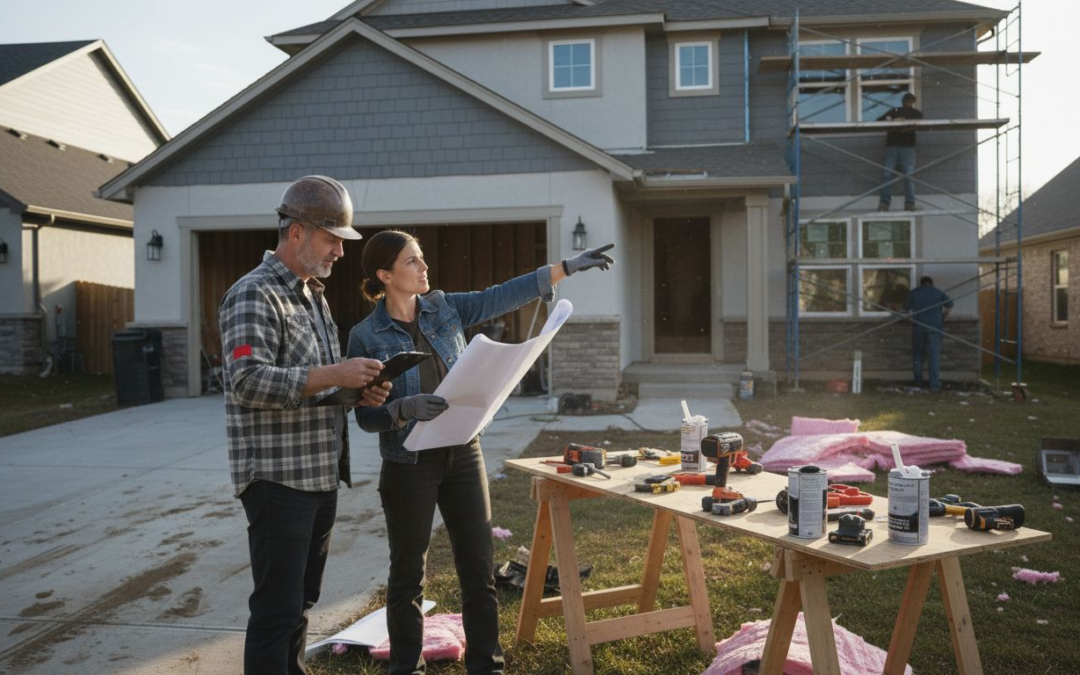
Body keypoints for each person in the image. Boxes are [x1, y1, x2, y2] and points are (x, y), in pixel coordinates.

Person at [347, 230, 615, 675]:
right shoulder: (366, 336)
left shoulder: (444, 308)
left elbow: (501, 296)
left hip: (462, 453)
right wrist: (401, 408)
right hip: (408, 464)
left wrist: (565, 268)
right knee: (407, 577)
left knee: (479, 570)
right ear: (385, 274)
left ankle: (487, 667)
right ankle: (405, 669)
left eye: (422, 258)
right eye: (412, 262)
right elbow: (365, 416)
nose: (424, 267)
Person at [219, 175, 392, 675]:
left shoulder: (313, 294)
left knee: (301, 602)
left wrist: (357, 391)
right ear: (296, 233)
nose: (341, 249)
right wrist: (336, 372)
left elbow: (312, 385)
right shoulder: (253, 294)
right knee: (277, 608)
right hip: (277, 481)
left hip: (317, 475)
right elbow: (246, 382)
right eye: (332, 237)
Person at [904, 275, 953, 392]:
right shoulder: (938, 292)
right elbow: (950, 305)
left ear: (921, 283)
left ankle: (918, 382)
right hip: (935, 327)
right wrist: (943, 317)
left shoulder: (914, 293)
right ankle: (934, 385)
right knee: (934, 357)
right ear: (931, 283)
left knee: (917, 356)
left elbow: (905, 309)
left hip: (918, 327)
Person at [878, 92, 923, 212]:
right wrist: (891, 122)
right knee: (886, 175)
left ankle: (909, 203)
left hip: (907, 147)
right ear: (903, 102)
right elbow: (880, 121)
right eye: (906, 101)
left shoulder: (916, 114)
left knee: (908, 175)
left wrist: (898, 124)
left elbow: (919, 126)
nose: (908, 104)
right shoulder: (895, 111)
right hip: (893, 146)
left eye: (910, 102)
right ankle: (885, 203)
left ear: (913, 102)